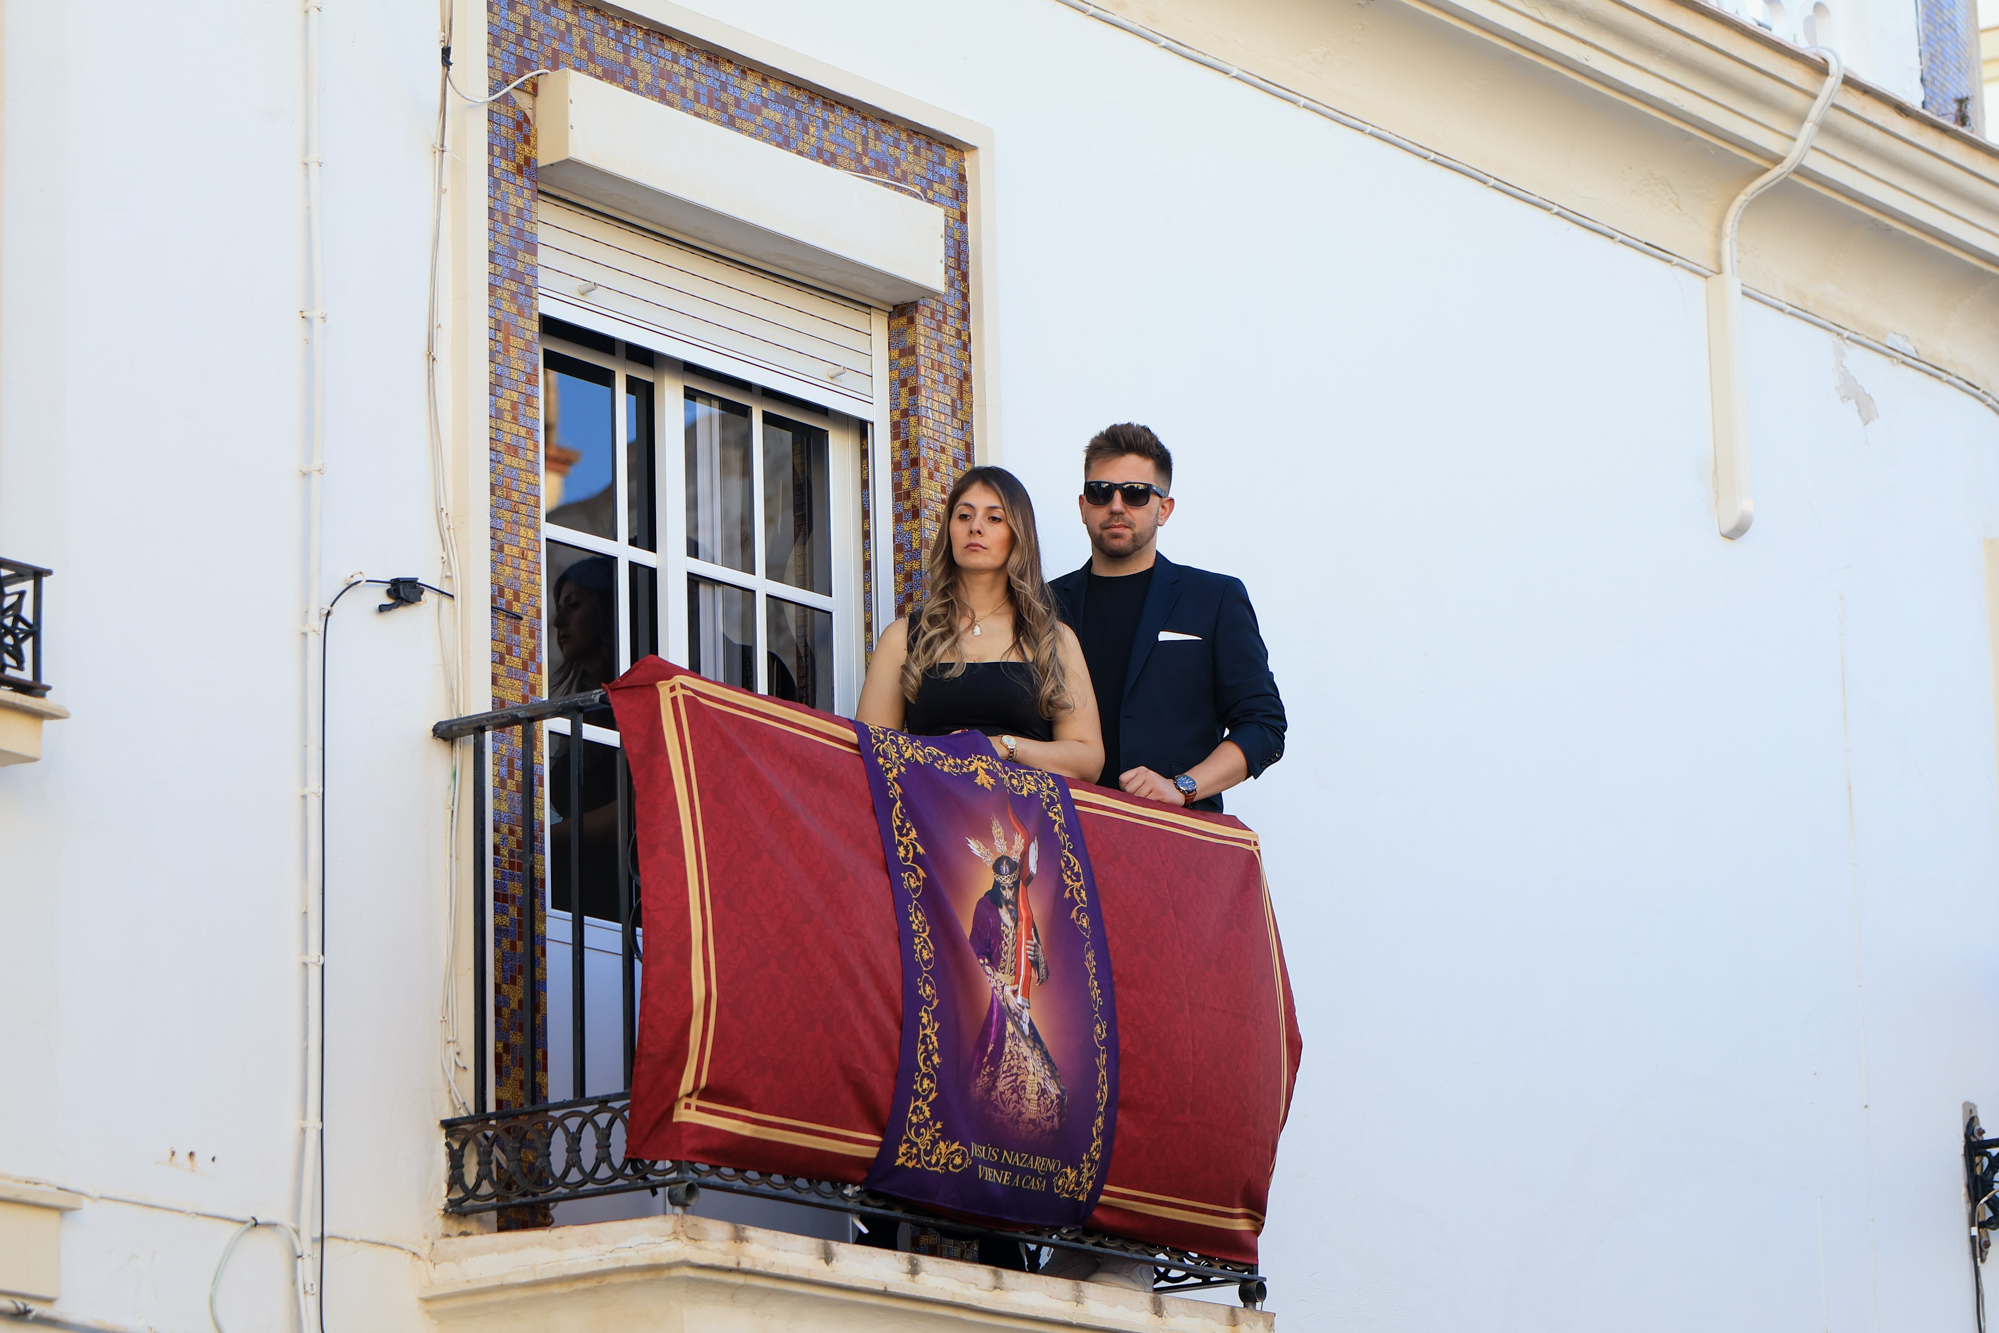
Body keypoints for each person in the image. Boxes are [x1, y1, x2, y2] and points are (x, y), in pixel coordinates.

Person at [1049, 423, 1285, 813]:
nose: (1116, 505)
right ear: (1083, 505)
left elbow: (1264, 726)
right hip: (1063, 828)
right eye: (1100, 491)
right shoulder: (1042, 605)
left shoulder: (1215, 599)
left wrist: (1183, 786)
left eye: (1136, 493)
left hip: (1175, 832)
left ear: (1164, 509)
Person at [857, 466, 1103, 784]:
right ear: (949, 529)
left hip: (1027, 813)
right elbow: (871, 753)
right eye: (964, 516)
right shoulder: (903, 637)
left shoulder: (1053, 638)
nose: (975, 527)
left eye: (994, 518)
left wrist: (1003, 746)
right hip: (930, 808)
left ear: (1018, 533)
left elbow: (1088, 761)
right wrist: (940, 755)